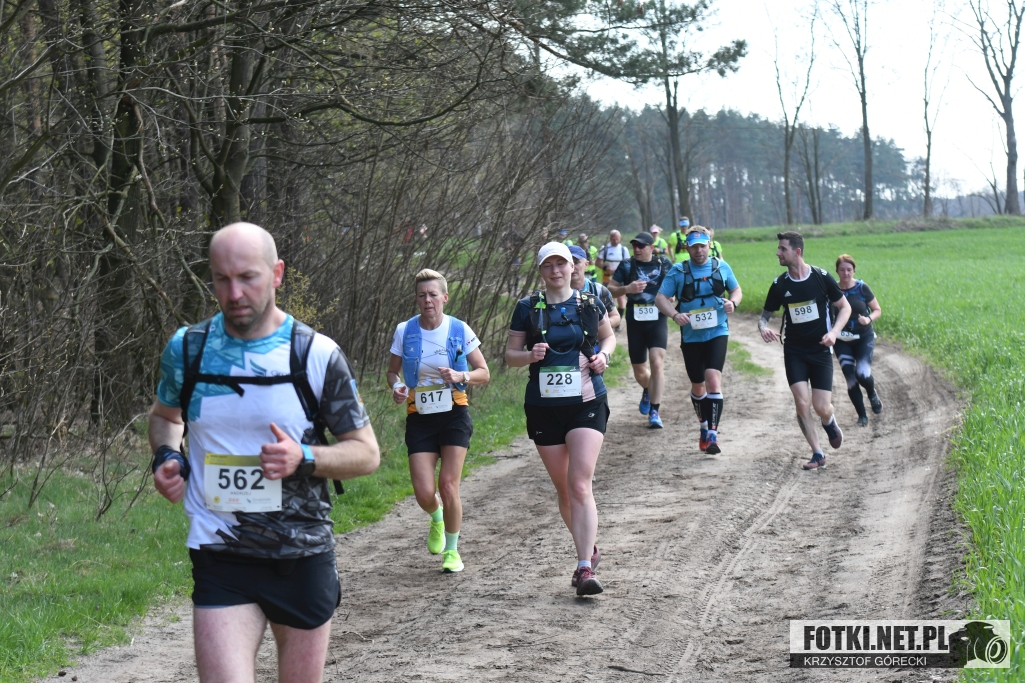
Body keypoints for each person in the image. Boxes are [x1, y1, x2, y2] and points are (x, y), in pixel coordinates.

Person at [149, 223, 380, 683]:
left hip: (300, 554)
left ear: (276, 274)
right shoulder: (188, 349)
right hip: (220, 552)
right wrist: (167, 456)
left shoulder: (315, 354)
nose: (234, 293)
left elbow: (366, 454)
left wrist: (304, 458)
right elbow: (166, 417)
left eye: (247, 277)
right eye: (221, 279)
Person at [506, 242, 617, 596]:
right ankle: (589, 547)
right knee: (565, 490)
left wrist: (604, 357)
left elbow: (609, 337)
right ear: (541, 271)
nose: (555, 270)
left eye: (561, 264)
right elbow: (509, 355)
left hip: (587, 401)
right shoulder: (527, 307)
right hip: (544, 407)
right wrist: (529, 355)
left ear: (573, 267)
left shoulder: (589, 303)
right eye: (548, 265)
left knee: (580, 484)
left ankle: (584, 567)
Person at [386, 270, 491, 573]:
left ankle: (453, 551)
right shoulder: (405, 330)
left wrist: (461, 375)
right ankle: (436, 517)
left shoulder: (458, 328)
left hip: (454, 413)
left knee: (447, 484)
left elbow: (484, 372)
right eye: (422, 295)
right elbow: (392, 372)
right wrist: (397, 387)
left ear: (444, 297)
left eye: (433, 294)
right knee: (423, 493)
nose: (428, 300)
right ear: (416, 299)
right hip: (419, 416)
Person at [758, 231, 851, 470]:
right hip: (794, 351)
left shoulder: (821, 277)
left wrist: (834, 333)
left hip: (820, 352)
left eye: (783, 249)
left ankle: (829, 421)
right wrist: (763, 328)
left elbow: (845, 307)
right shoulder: (780, 284)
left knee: (821, 407)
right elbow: (764, 317)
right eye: (778, 248)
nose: (778, 253)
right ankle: (817, 453)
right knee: (801, 402)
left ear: (797, 251)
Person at [655, 227, 742, 453]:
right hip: (691, 336)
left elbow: (736, 290)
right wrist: (674, 315)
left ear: (709, 245)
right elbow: (660, 298)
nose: (699, 251)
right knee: (697, 384)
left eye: (702, 246)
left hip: (717, 331)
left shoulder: (721, 267)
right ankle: (703, 426)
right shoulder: (678, 270)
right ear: (687, 247)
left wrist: (733, 302)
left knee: (713, 379)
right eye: (694, 247)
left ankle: (713, 435)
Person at [608, 232, 673, 428]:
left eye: (641, 246)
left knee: (657, 363)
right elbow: (610, 289)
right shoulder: (627, 265)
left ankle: (655, 411)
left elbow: (677, 285)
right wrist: (628, 289)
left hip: (657, 319)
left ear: (651, 247)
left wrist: (672, 297)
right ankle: (647, 389)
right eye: (635, 245)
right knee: (639, 371)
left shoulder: (664, 264)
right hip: (635, 320)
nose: (637, 249)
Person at [832, 254, 883, 426]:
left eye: (849, 270)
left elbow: (877, 310)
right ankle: (862, 416)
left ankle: (872, 393)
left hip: (863, 337)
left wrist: (868, 319)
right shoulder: (833, 290)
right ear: (837, 271)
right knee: (850, 378)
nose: (846, 273)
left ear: (854, 270)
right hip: (842, 340)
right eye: (842, 270)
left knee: (862, 374)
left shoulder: (862, 288)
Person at [570, 245, 621, 330]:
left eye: (576, 262)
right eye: (569, 263)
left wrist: (599, 325)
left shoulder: (599, 290)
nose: (573, 267)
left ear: (586, 265)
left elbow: (616, 317)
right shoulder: (557, 293)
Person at [595, 230, 631, 320]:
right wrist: (605, 268)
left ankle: (618, 322)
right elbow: (597, 262)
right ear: (610, 238)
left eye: (617, 239)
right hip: (607, 278)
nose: (615, 241)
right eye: (613, 239)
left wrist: (619, 271)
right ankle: (607, 320)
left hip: (620, 279)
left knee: (621, 301)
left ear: (620, 238)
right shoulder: (605, 249)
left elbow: (628, 265)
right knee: (607, 301)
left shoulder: (623, 250)